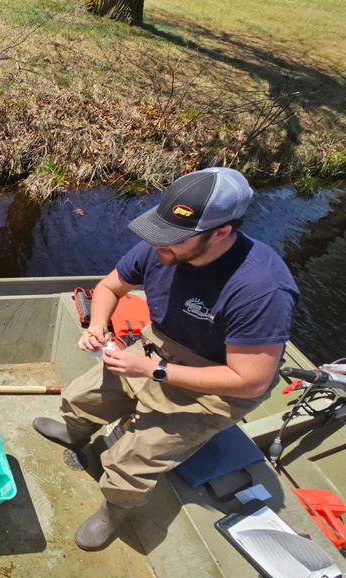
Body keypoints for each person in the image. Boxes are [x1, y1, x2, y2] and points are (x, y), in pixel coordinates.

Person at [33, 167, 298, 551]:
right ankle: (76, 434)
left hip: (216, 383)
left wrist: (153, 370)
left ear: (220, 232)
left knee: (131, 461)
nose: (159, 246)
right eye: (160, 232)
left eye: (173, 240)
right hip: (156, 348)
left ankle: (114, 511)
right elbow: (109, 286)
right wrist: (98, 326)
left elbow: (251, 380)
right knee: (80, 396)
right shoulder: (164, 245)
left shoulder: (262, 288)